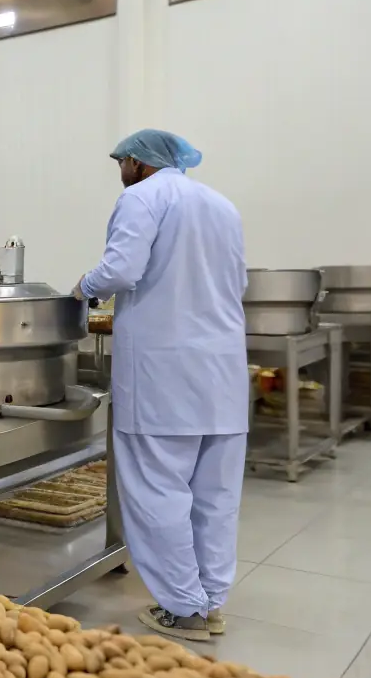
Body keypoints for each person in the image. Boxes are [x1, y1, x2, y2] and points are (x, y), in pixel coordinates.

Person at [73, 129, 247, 643]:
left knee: (158, 490)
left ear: (138, 161)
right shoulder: (222, 205)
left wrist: (83, 289)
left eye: (121, 162)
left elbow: (121, 270)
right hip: (222, 372)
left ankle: (183, 608)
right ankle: (211, 603)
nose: (120, 172)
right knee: (215, 497)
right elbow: (238, 283)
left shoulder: (142, 198)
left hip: (164, 372)